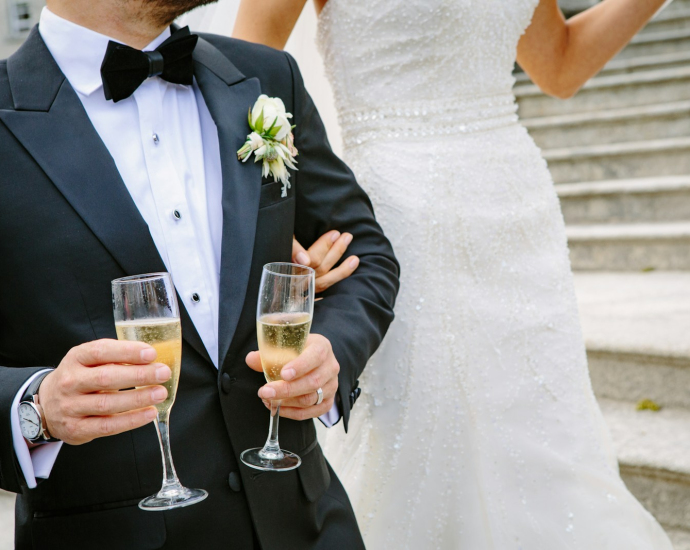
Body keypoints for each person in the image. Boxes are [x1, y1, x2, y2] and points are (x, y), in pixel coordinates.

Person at [227, 0, 676, 548]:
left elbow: (558, 64)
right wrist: (287, 224)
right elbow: (245, 74)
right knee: (427, 433)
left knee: (542, 431)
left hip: (519, 219)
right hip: (404, 217)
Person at [0, 0, 400, 547]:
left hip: (306, 525)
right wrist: (35, 408)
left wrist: (331, 350)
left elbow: (365, 254)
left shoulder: (265, 75)